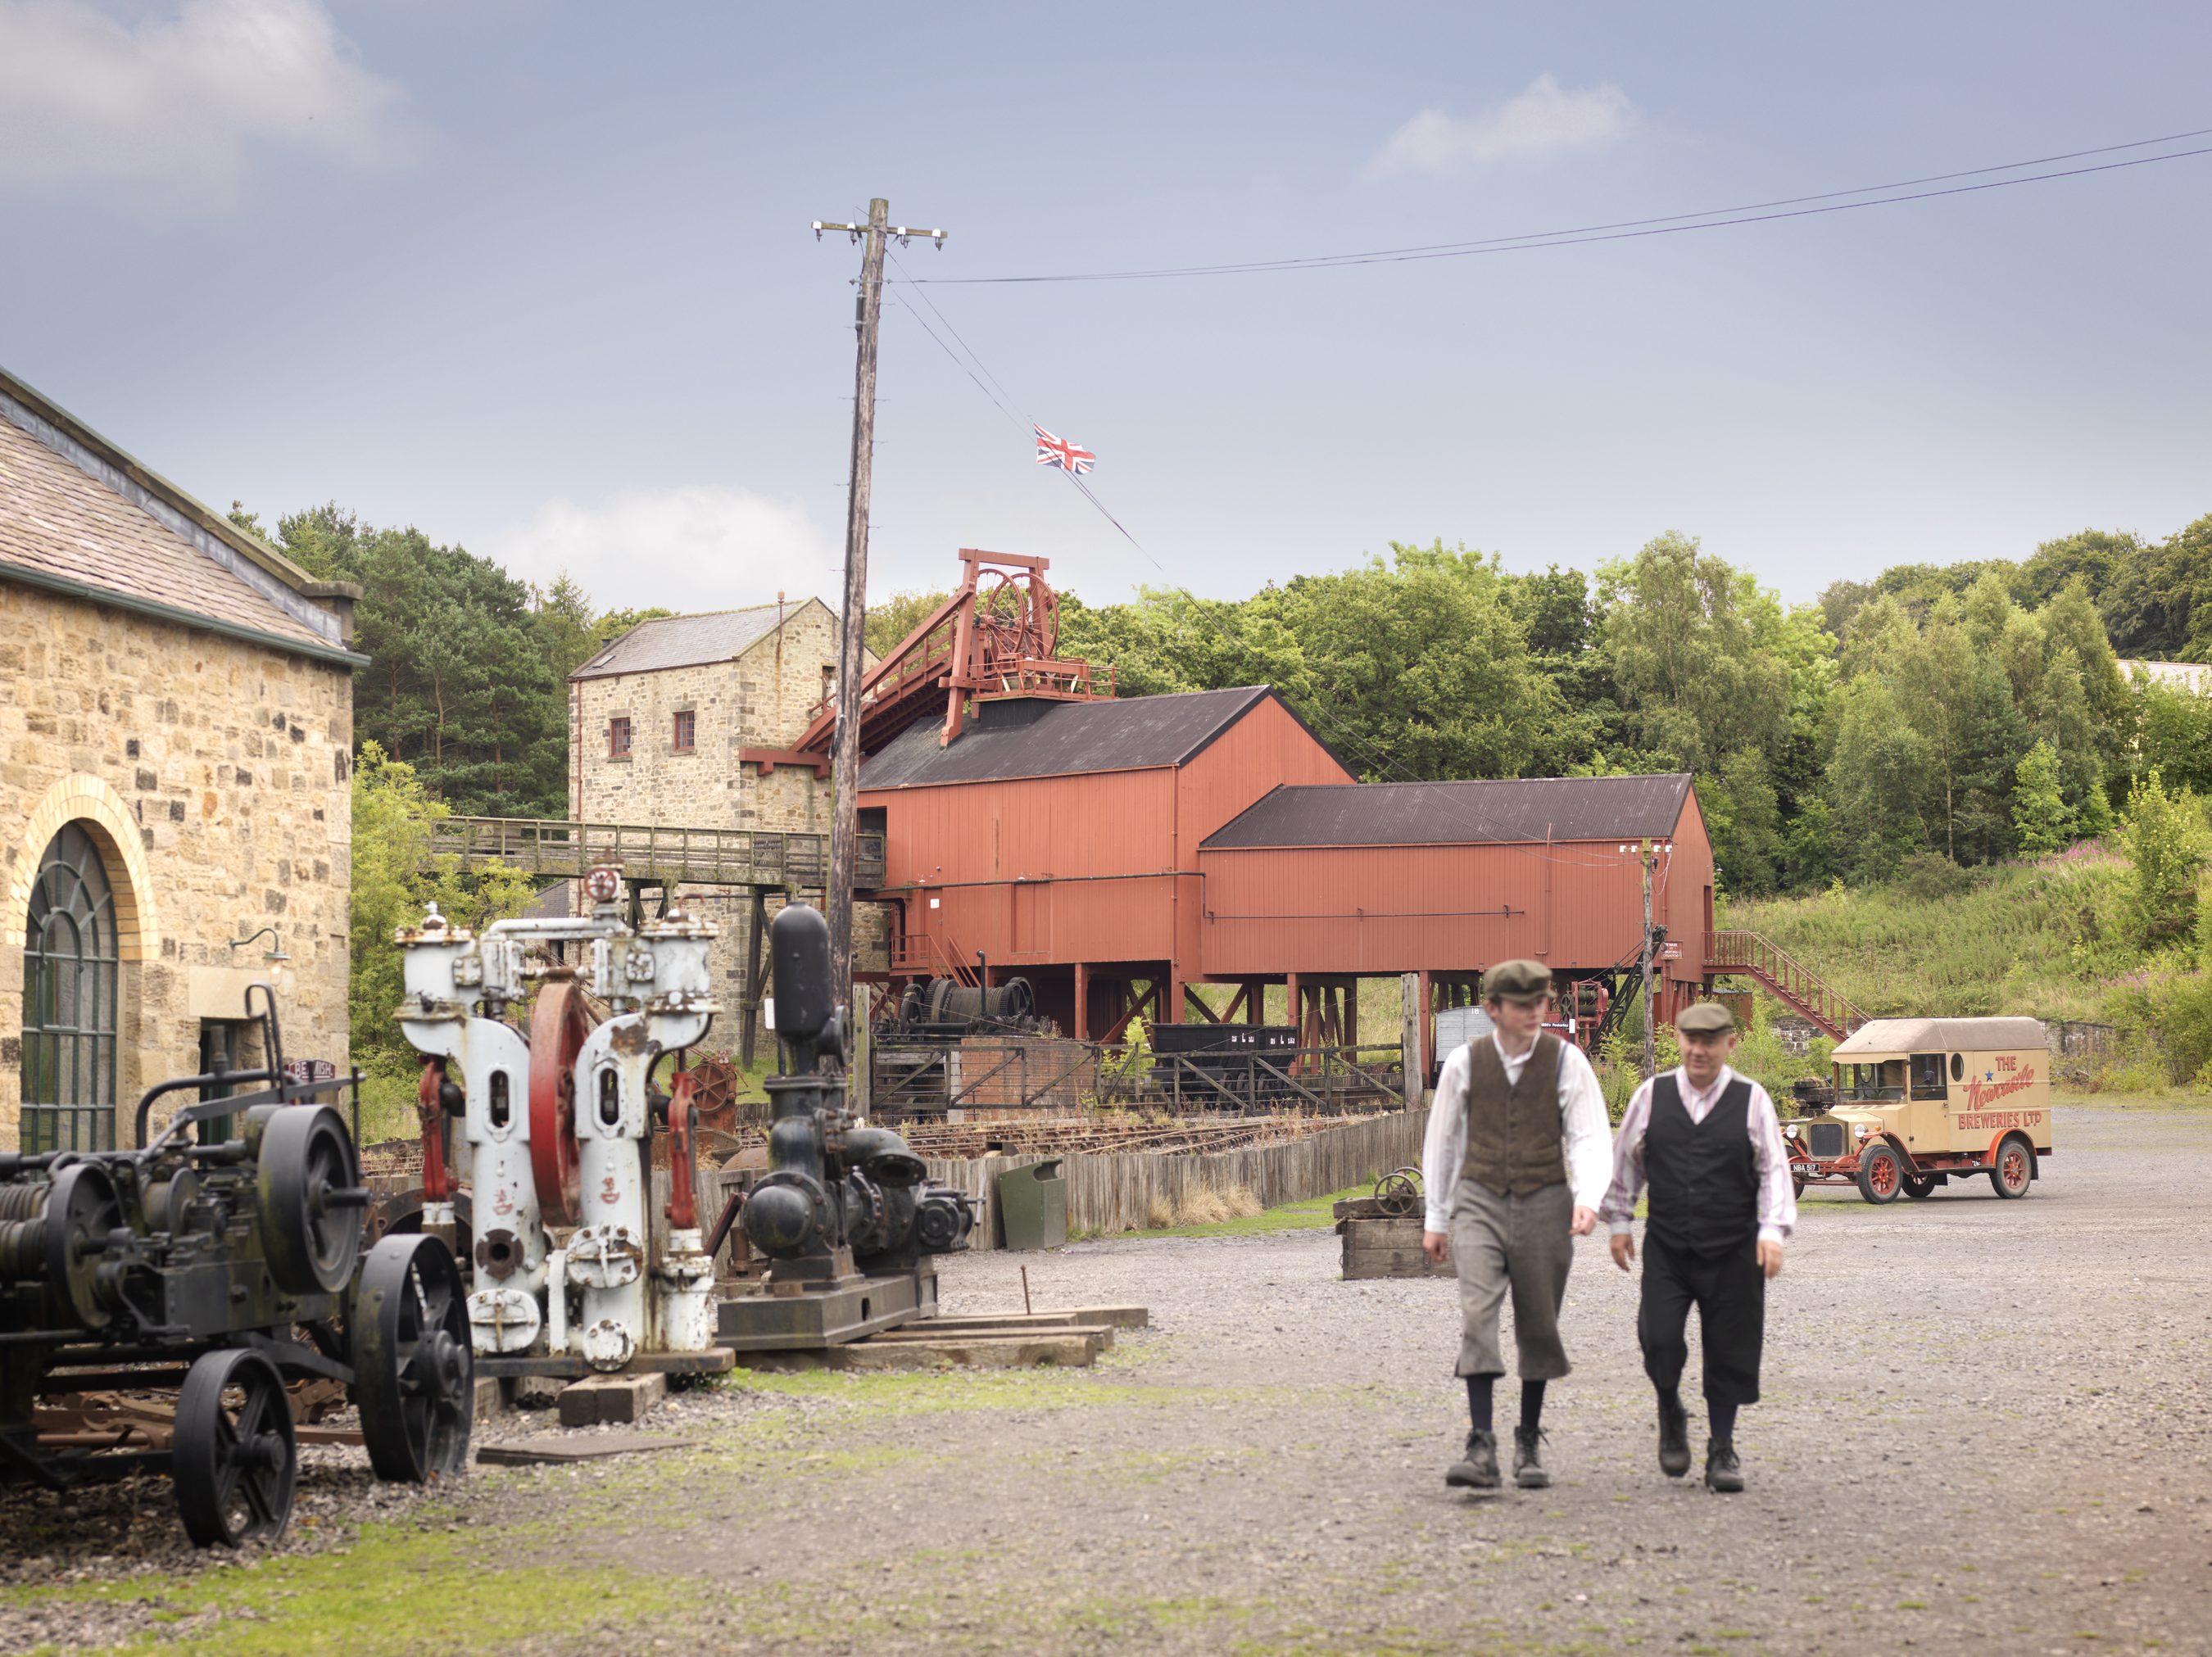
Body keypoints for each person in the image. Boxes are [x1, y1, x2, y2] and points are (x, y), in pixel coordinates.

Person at [1420, 960, 1612, 1492]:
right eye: (1522, 1004)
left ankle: (1528, 1437)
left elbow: (1589, 1135)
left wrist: (1588, 1197)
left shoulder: (1565, 1062)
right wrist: (1436, 1216)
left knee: (1538, 1318)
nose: (1535, 1013)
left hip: (1546, 1199)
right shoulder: (1464, 1062)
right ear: (1493, 1009)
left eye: (1541, 1003)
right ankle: (1481, 1443)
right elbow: (1444, 1140)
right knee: (1477, 1314)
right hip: (1479, 1198)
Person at [1600, 1000, 1795, 1494]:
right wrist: (1620, 1222)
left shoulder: (1752, 1100)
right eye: (1691, 1041)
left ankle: (1722, 1449)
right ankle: (1671, 1409)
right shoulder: (1651, 1095)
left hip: (1735, 1247)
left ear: (1730, 1044)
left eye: (1710, 1041)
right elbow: (1626, 1161)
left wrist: (1772, 1232)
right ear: (1680, 1042)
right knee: (1659, 1339)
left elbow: (1774, 1170)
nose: (1699, 1050)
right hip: (1669, 1245)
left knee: (1729, 1347)